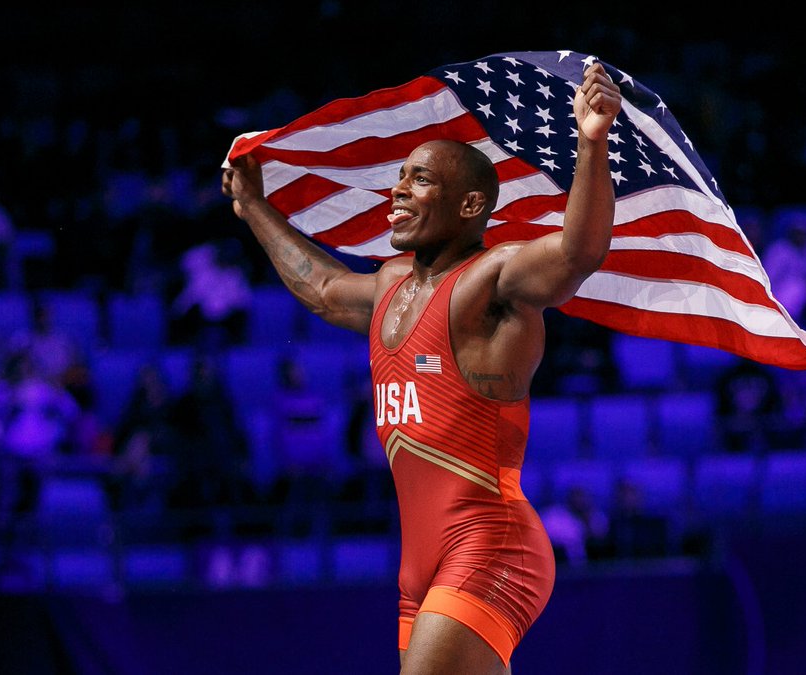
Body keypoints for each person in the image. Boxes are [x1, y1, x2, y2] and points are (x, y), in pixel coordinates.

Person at [222, 63, 621, 674]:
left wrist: (591, 144)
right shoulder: (388, 284)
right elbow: (324, 290)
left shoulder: (491, 280)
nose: (398, 192)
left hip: (491, 545)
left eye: (420, 180)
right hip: (422, 564)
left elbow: (577, 254)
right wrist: (252, 206)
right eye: (399, 178)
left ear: (469, 204)